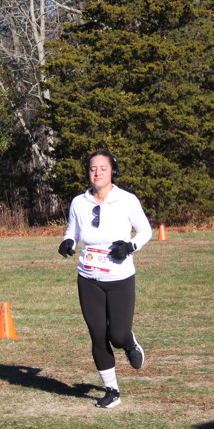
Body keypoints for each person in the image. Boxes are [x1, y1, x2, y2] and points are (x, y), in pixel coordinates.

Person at [58, 149, 153, 408]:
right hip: (88, 277)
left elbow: (145, 231)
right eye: (93, 168)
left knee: (117, 335)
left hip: (120, 277)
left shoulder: (127, 200)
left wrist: (130, 246)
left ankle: (129, 343)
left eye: (102, 168)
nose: (97, 172)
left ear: (112, 171)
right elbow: (72, 231)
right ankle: (112, 390)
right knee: (98, 335)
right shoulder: (79, 202)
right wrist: (68, 242)